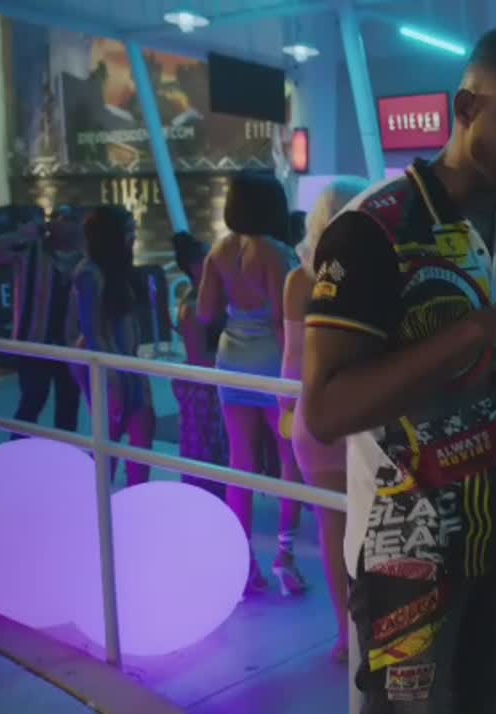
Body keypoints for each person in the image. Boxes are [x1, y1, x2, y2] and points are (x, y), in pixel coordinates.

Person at [298, 23, 496, 713]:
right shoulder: (373, 229)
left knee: (489, 699)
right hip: (409, 553)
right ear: (465, 109)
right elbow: (326, 412)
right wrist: (481, 329)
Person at [198, 171, 307, 598]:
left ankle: (243, 563)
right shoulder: (278, 253)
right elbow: (284, 321)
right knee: (288, 461)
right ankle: (285, 556)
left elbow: (206, 314)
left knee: (239, 462)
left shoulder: (218, 251)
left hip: (231, 361)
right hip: (273, 363)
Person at [280, 176, 368, 662]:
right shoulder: (377, 272)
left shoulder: (301, 278)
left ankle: (345, 634)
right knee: (376, 531)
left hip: (315, 415)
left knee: (332, 530)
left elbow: (292, 359)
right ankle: (377, 632)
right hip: (367, 411)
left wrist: (287, 410)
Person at [65, 206, 156, 487]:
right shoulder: (89, 273)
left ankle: (137, 494)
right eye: (128, 230)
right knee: (110, 434)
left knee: (143, 426)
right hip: (105, 364)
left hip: (126, 360)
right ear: (111, 235)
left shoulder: (115, 269)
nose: (134, 236)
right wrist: (112, 379)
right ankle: (99, 498)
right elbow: (92, 333)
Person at [0, 205, 82, 436]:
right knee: (32, 401)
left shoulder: (84, 257)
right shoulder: (29, 250)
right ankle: (19, 451)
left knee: (69, 408)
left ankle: (63, 454)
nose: (63, 224)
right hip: (34, 342)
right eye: (58, 219)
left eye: (69, 220)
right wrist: (21, 235)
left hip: (71, 345)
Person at [170, 231, 228, 499]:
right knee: (205, 453)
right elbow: (198, 358)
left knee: (217, 452)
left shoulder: (211, 299)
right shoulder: (192, 307)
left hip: (215, 385)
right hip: (204, 390)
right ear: (196, 267)